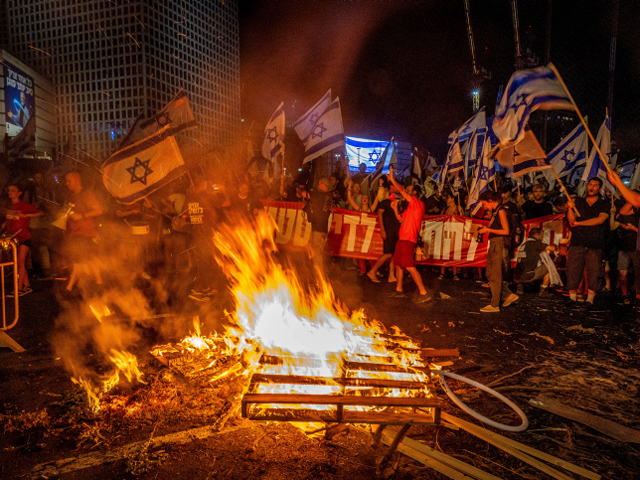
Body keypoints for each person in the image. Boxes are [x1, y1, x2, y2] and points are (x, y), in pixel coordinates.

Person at [386, 165, 431, 303]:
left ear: (415, 192)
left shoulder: (418, 204)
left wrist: (393, 179)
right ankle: (399, 290)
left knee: (410, 266)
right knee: (399, 264)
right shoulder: (410, 207)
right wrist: (394, 209)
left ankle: (424, 292)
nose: (406, 192)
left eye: (410, 191)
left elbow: (400, 190)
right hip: (402, 239)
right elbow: (400, 219)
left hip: (408, 240)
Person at [565, 177, 610, 305]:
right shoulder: (578, 202)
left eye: (596, 185)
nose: (592, 187)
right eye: (590, 184)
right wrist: (570, 208)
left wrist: (580, 223)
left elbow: (600, 220)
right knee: (573, 269)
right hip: (577, 241)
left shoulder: (604, 203)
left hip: (595, 243)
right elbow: (571, 221)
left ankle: (590, 300)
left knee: (594, 271)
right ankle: (572, 298)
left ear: (600, 188)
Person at [478, 190, 519, 312]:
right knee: (489, 273)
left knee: (495, 274)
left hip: (499, 243)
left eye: (484, 204)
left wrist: (488, 230)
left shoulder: (501, 211)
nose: (483, 207)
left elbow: (506, 231)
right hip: (495, 243)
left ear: (490, 201)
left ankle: (495, 304)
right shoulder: (496, 211)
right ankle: (508, 295)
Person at [63, 171, 104, 292]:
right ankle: (98, 283)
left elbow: (99, 210)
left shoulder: (86, 194)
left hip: (85, 233)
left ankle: (70, 287)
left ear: (76, 180)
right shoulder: (70, 196)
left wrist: (81, 215)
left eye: (68, 181)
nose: (66, 184)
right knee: (87, 260)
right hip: (75, 233)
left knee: (80, 261)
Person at [2, 183, 42, 296]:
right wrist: (5, 223)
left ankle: (19, 289)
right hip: (13, 239)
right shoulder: (10, 206)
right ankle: (27, 287)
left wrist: (27, 215)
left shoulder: (24, 205)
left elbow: (40, 213)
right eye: (9, 190)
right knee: (19, 263)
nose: (10, 192)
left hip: (24, 237)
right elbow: (12, 218)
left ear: (19, 193)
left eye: (13, 190)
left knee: (20, 262)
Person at [608, 170, 640, 309]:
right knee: (623, 273)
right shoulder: (633, 206)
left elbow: (636, 200)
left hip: (634, 246)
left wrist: (618, 183)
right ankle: (627, 295)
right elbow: (624, 211)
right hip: (624, 245)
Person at [366, 183, 400, 284]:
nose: (396, 188)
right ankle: (372, 271)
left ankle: (391, 275)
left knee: (393, 254)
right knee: (388, 253)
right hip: (388, 230)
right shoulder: (385, 202)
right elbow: (379, 215)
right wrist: (382, 229)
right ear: (390, 188)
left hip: (395, 231)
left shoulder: (396, 202)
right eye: (394, 186)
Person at [610, 200, 639, 304]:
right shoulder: (622, 214)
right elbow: (612, 226)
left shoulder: (638, 215)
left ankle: (637, 295)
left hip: (636, 248)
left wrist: (633, 228)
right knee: (623, 273)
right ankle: (624, 294)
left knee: (637, 273)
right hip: (623, 247)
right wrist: (612, 214)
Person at [515, 228, 557, 296]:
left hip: (518, 276)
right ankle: (543, 290)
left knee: (526, 267)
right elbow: (552, 248)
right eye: (541, 236)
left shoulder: (524, 245)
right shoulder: (535, 243)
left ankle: (520, 287)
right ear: (537, 235)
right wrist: (556, 246)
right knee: (549, 267)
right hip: (529, 275)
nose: (542, 238)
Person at [304, 177, 333, 272]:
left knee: (317, 256)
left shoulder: (319, 195)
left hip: (318, 231)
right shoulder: (329, 197)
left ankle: (321, 280)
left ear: (323, 185)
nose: (318, 186)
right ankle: (316, 274)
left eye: (319, 184)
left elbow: (304, 194)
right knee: (313, 251)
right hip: (322, 229)